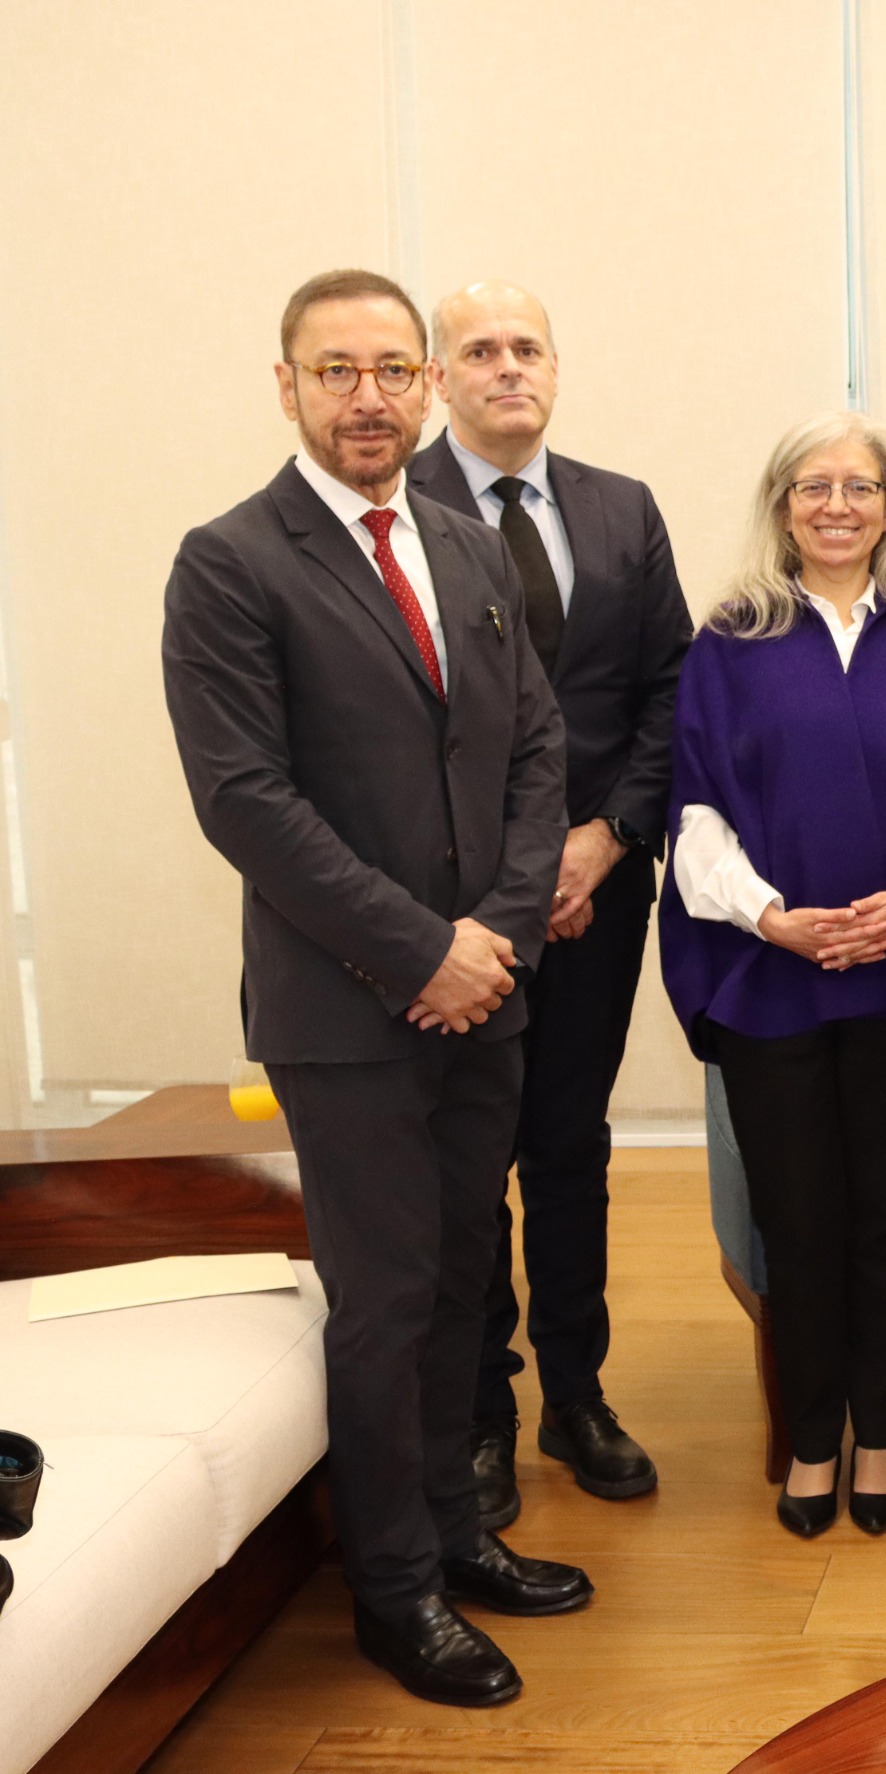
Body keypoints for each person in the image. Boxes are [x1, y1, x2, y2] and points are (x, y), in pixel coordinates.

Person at [162, 269, 589, 1708]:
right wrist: (422, 951)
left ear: (428, 386)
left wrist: (496, 939)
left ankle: (459, 1534)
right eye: (336, 370)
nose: (369, 397)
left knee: (466, 1279)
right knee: (386, 1296)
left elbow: (537, 753)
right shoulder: (230, 563)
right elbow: (246, 801)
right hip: (347, 1015)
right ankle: (394, 1589)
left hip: (486, 993)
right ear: (285, 385)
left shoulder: (468, 546)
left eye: (394, 370)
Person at [659, 413, 886, 1538]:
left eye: (860, 487)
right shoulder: (729, 644)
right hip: (773, 979)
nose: (837, 505)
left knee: (883, 1217)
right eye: (814, 486)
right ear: (782, 505)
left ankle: (880, 1433)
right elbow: (693, 813)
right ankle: (811, 1439)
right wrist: (771, 918)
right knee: (799, 1223)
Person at [409, 280, 693, 1525]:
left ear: (557, 368)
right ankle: (482, 1409)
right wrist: (524, 878)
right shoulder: (397, 509)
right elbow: (401, 727)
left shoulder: (621, 509)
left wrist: (609, 838)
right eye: (480, 350)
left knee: (570, 1145)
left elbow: (671, 690)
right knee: (468, 1157)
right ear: (439, 379)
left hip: (599, 889)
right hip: (459, 911)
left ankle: (577, 1395)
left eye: (527, 347)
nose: (508, 367)